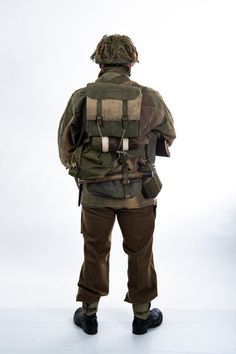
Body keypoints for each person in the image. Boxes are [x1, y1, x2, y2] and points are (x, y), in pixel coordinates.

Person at [58, 34, 176, 335]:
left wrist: (84, 169)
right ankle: (141, 316)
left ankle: (89, 314)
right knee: (140, 251)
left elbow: (65, 144)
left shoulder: (81, 97)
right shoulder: (149, 97)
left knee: (95, 250)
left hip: (95, 194)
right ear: (130, 62)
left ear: (99, 60)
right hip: (138, 193)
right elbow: (169, 134)